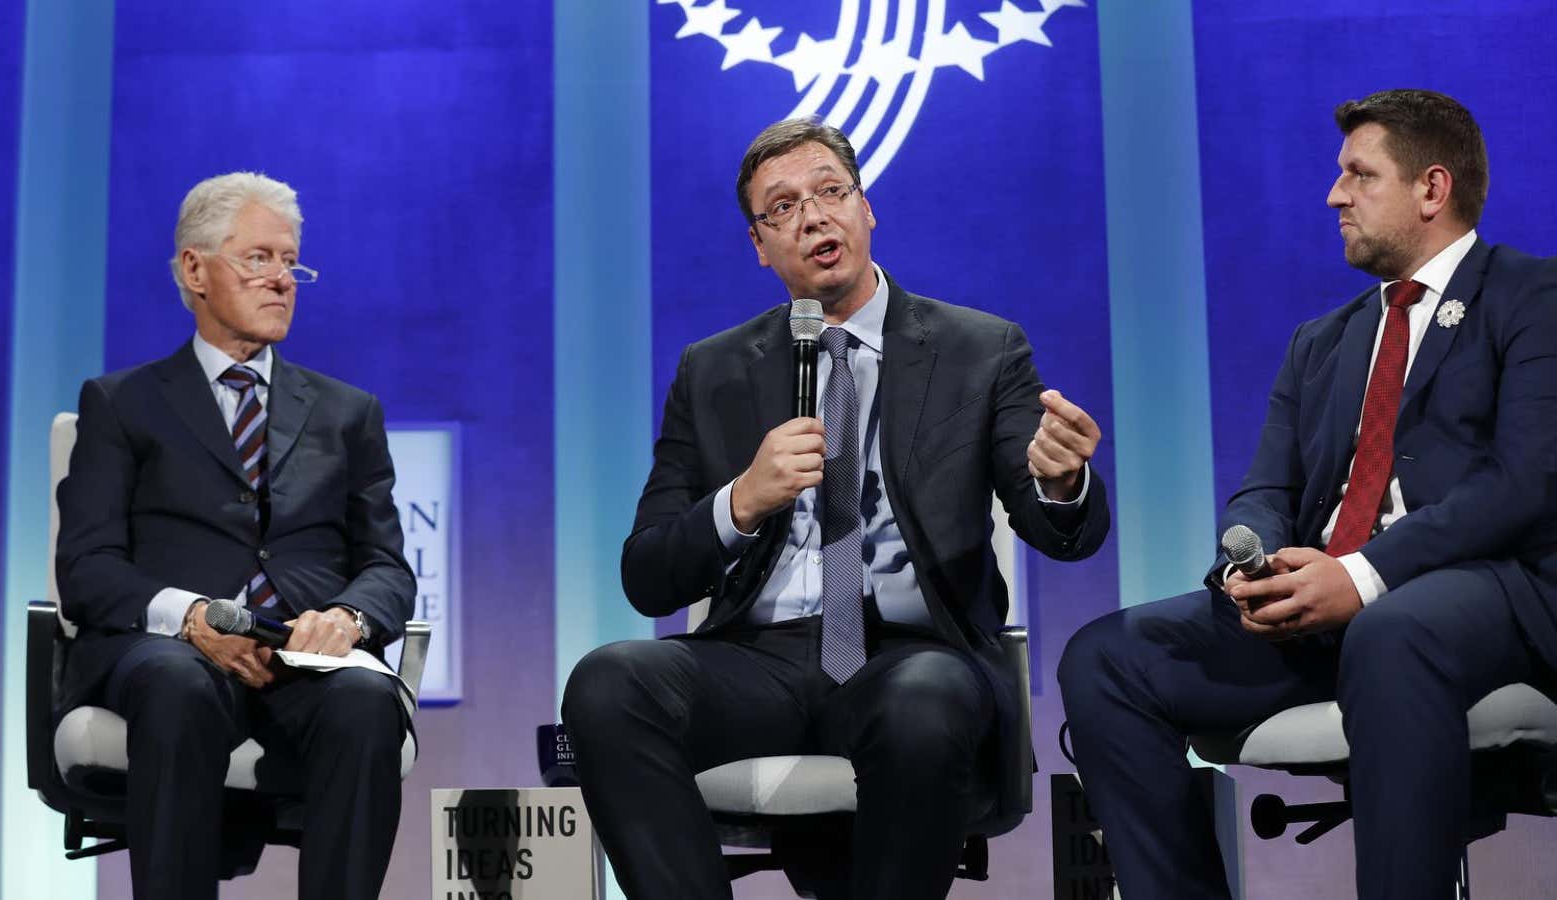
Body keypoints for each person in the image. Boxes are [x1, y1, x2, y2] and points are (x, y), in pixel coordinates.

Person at [561, 118, 1110, 899]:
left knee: (924, 701)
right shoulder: (713, 370)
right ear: (758, 244)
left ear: (866, 207)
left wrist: (1060, 483)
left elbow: (1060, 532)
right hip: (759, 663)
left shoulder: (979, 350)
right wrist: (740, 502)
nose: (813, 216)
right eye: (782, 207)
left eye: (829, 191)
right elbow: (648, 575)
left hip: (913, 655)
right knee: (609, 681)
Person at [1059, 89, 1557, 899]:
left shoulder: (1534, 299)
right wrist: (1251, 562)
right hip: (1325, 605)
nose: (1335, 195)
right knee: (1107, 659)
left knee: (1392, 632)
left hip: (1490, 593)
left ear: (1432, 189)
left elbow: (1524, 481)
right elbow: (1267, 488)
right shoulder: (1322, 341)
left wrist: (1359, 576)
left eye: (1360, 176)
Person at [55, 172, 416, 900]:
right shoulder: (122, 404)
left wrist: (347, 619)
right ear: (195, 269)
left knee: (366, 704)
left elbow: (385, 565)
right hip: (170, 651)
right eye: (258, 258)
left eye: (290, 263)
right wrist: (190, 619)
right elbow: (87, 567)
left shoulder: (349, 414)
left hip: (302, 657)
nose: (281, 279)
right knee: (175, 686)